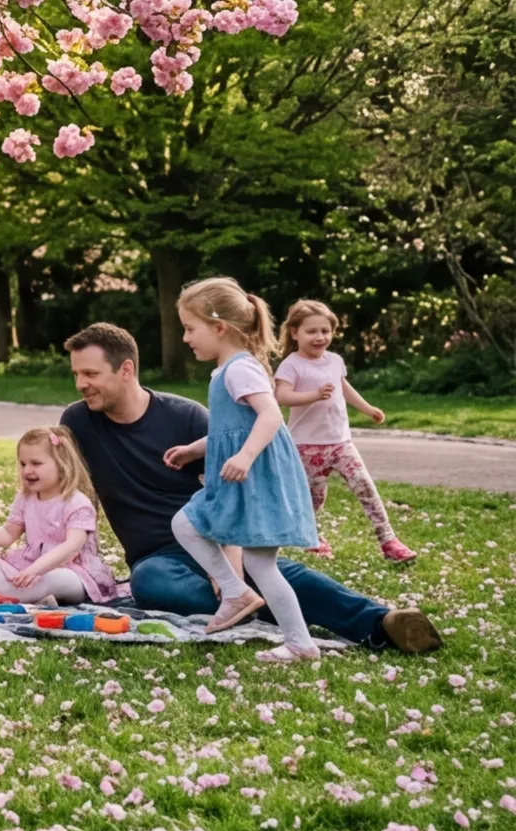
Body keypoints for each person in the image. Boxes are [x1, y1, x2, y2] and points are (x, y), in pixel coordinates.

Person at [54, 322, 440, 652]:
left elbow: (232, 493)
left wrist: (231, 570)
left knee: (271, 572)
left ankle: (382, 622)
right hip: (158, 559)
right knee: (150, 583)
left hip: (218, 539)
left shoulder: (187, 417)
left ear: (125, 369)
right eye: (75, 374)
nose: (80, 384)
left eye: (90, 374)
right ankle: (257, 603)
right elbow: (68, 490)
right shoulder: (79, 421)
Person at [160, 278, 323, 660]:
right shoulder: (226, 371)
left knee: (193, 528)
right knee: (255, 561)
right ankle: (282, 628)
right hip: (244, 478)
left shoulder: (239, 369)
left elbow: (270, 416)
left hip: (255, 478)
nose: (185, 338)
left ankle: (249, 603)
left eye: (189, 328)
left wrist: (245, 457)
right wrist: (194, 449)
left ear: (219, 327)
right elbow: (231, 430)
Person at [273, 299, 412, 564]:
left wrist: (368, 409)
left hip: (341, 443)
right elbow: (281, 396)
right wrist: (313, 395)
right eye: (311, 331)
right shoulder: (292, 364)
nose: (320, 337)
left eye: (325, 331)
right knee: (312, 499)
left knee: (366, 487)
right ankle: (311, 539)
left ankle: (389, 541)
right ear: (294, 333)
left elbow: (343, 387)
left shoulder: (335, 361)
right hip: (306, 447)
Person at [0, 426, 118, 604]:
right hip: (29, 569)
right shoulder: (26, 498)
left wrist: (37, 570)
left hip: (72, 571)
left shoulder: (76, 503)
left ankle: (11, 595)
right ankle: (29, 598)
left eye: (35, 463)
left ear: (61, 465)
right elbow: (8, 534)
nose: (27, 470)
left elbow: (71, 547)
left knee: (61, 579)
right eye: (23, 464)